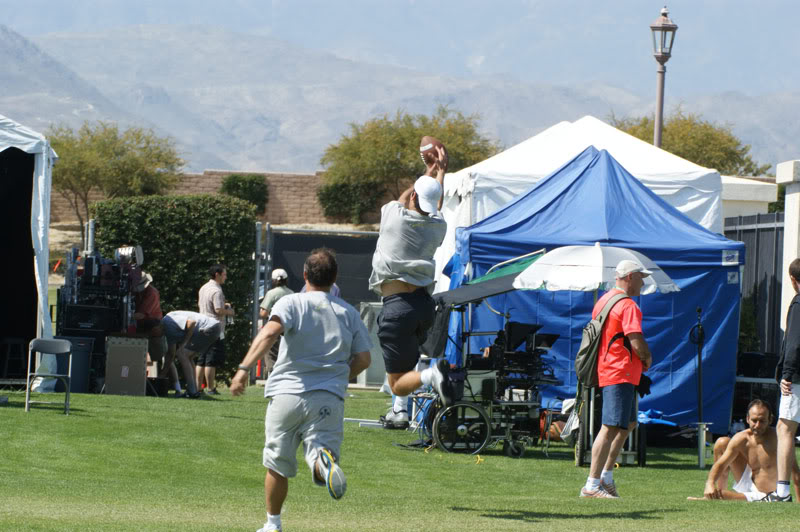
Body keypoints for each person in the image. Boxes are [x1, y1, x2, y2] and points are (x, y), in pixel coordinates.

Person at [230, 248, 371, 532]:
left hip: (287, 394)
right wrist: (341, 378)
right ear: (335, 278)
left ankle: (273, 524)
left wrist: (244, 369)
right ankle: (321, 462)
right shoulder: (349, 313)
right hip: (327, 398)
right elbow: (364, 359)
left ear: (304, 275)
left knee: (277, 463)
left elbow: (269, 333)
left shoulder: (291, 302)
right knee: (320, 455)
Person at [369, 140, 451, 429]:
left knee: (398, 382)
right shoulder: (438, 226)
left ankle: (432, 375)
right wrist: (440, 171)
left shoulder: (395, 219)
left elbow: (404, 200)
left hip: (398, 308)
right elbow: (434, 202)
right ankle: (399, 413)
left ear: (415, 194)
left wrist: (429, 171)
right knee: (408, 362)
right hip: (423, 306)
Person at [580, 259, 653, 499]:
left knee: (628, 423)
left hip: (613, 370)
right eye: (641, 278)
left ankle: (605, 477)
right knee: (610, 426)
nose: (643, 283)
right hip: (619, 371)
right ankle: (592, 485)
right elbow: (635, 339)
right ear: (630, 277)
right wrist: (647, 358)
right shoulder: (628, 305)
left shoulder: (604, 300)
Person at [687, 399, 800, 501]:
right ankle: (717, 492)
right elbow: (721, 464)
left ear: (770, 420)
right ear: (747, 419)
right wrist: (710, 483)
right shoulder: (742, 438)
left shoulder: (780, 439)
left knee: (724, 496)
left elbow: (795, 472)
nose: (757, 425)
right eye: (754, 420)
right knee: (722, 442)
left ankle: (718, 496)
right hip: (748, 482)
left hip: (767, 495)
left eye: (762, 421)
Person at [773, 258, 800, 502]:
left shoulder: (799, 302)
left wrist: (787, 375)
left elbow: (793, 344)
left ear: (793, 280)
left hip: (798, 378)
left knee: (785, 428)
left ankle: (782, 491)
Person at [133, 272, 180, 394]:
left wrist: (130, 316)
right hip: (144, 326)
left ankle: (176, 387)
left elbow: (142, 314)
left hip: (154, 326)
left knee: (163, 356)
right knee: (159, 356)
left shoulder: (152, 293)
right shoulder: (138, 293)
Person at [161, 310, 221, 398]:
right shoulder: (167, 332)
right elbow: (170, 354)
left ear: (157, 327)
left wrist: (185, 343)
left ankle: (192, 391)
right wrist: (162, 375)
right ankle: (194, 389)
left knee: (182, 354)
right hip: (213, 327)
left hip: (209, 327)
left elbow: (191, 322)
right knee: (187, 356)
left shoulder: (168, 320)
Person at [197, 264, 234, 395]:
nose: (226, 277)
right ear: (217, 275)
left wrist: (224, 306)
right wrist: (229, 312)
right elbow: (218, 310)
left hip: (201, 325)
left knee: (201, 359)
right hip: (214, 327)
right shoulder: (217, 291)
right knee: (210, 360)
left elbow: (207, 305)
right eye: (224, 274)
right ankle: (210, 388)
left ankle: (198, 388)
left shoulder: (204, 288)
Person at [260, 268, 295, 377]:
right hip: (288, 328)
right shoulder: (291, 293)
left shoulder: (271, 293)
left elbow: (263, 314)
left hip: (274, 327)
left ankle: (272, 374)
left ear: (273, 280)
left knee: (270, 351)